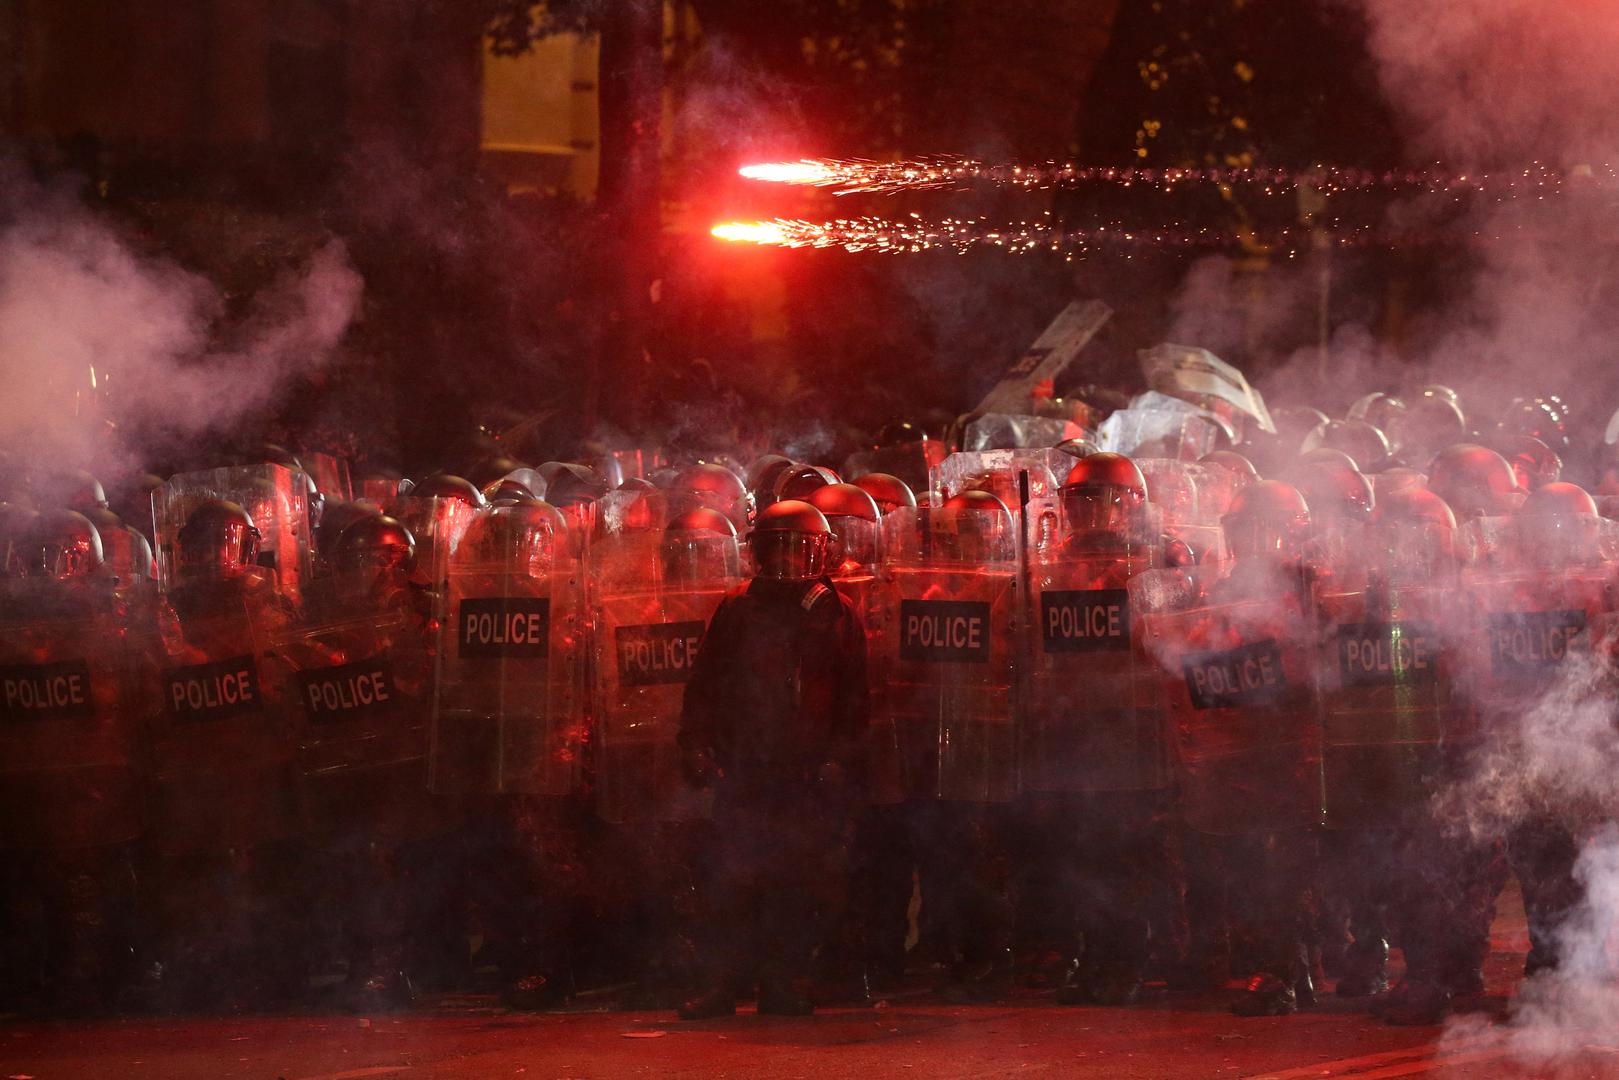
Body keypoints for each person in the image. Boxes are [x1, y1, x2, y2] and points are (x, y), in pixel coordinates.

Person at [676, 500, 869, 1019]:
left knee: (793, 883)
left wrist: (840, 759)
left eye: (797, 548)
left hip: (804, 776)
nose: (786, 561)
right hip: (744, 770)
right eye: (776, 548)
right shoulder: (738, 608)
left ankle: (782, 982)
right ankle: (721, 985)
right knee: (731, 882)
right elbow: (706, 686)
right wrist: (695, 745)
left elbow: (855, 696)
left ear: (820, 551)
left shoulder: (836, 611)